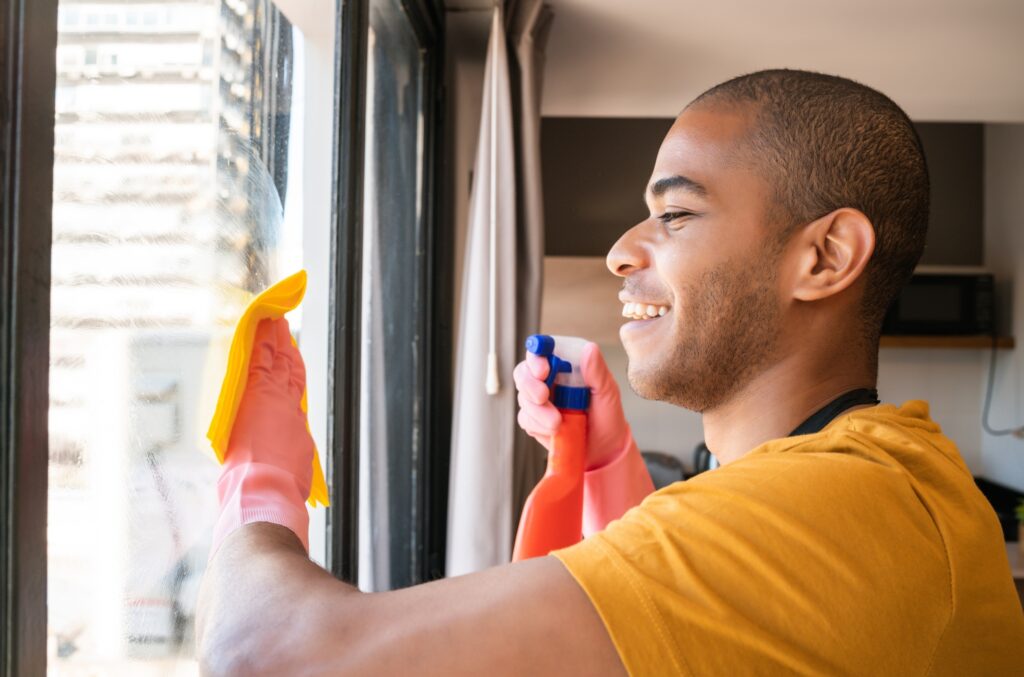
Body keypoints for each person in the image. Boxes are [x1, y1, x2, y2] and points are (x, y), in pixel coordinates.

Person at [197, 69, 1024, 675]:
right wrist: (606, 464)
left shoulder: (842, 509)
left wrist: (261, 476)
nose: (623, 249)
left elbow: (270, 655)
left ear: (825, 256)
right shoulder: (872, 485)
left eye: (676, 213)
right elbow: (677, 626)